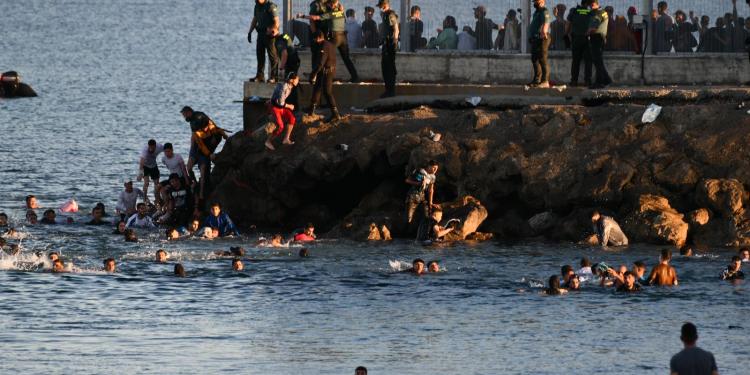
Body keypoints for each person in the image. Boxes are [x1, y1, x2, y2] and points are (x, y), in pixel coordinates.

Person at [320, 0, 359, 82]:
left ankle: (326, 77)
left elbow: (317, 18)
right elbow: (343, 21)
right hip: (343, 38)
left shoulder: (332, 13)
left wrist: (303, 16)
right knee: (346, 58)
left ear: (332, 5)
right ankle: (355, 77)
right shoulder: (341, 13)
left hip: (335, 37)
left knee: (327, 57)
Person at [308, 31, 341, 123]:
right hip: (324, 70)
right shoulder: (328, 44)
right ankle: (311, 110)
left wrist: (313, 74)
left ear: (319, 37)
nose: (314, 41)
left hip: (327, 71)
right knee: (317, 88)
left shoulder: (324, 45)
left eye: (315, 39)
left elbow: (321, 62)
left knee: (327, 92)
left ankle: (335, 114)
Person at [266, 72, 300, 150]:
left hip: (280, 107)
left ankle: (286, 139)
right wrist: (289, 106)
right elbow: (280, 102)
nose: (298, 81)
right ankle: (268, 141)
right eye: (297, 79)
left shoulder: (290, 86)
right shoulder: (284, 87)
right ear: (291, 80)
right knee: (280, 126)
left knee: (292, 118)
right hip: (275, 107)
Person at [248, 0, 280, 82]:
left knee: (273, 56)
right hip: (261, 34)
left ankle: (274, 77)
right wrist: (250, 31)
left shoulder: (270, 6)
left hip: (270, 35)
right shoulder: (257, 6)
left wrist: (274, 31)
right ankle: (260, 76)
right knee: (260, 55)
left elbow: (276, 21)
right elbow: (255, 19)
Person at [405, 160, 439, 226]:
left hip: (422, 197)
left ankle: (424, 232)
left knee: (426, 215)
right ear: (429, 166)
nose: (435, 170)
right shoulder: (419, 171)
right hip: (412, 196)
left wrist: (430, 202)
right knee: (408, 218)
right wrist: (418, 183)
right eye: (434, 168)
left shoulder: (433, 177)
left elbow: (431, 190)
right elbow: (407, 180)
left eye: (436, 169)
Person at [587, 0, 611, 89]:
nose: (591, 6)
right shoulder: (602, 12)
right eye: (590, 4)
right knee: (598, 61)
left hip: (597, 37)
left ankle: (599, 82)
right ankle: (607, 79)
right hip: (600, 37)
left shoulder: (598, 13)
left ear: (597, 4)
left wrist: (587, 32)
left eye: (592, 4)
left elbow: (593, 27)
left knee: (597, 61)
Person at [567, 0, 592, 87]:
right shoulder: (590, 12)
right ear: (587, 4)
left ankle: (574, 81)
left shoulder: (574, 11)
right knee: (588, 61)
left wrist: (566, 34)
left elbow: (568, 24)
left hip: (576, 39)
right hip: (587, 39)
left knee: (575, 61)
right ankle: (587, 81)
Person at [528, 0, 552, 88]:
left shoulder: (544, 11)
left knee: (542, 58)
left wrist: (543, 32)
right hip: (535, 38)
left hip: (543, 38)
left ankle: (545, 81)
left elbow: (546, 22)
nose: (534, 3)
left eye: (536, 1)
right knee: (534, 58)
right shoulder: (537, 12)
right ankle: (537, 80)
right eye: (534, 2)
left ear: (542, 2)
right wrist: (531, 36)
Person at [377, 0, 398, 98]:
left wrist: (393, 42)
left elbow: (395, 29)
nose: (380, 8)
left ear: (385, 5)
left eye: (381, 6)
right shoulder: (385, 14)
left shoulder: (390, 14)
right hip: (386, 43)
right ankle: (388, 90)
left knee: (389, 68)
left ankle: (390, 91)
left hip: (390, 44)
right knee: (385, 67)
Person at [137, 139, 164, 204]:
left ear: (155, 146)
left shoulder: (159, 147)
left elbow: (166, 149)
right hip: (145, 166)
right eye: (150, 148)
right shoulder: (145, 150)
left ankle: (157, 199)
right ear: (148, 146)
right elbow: (141, 162)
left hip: (154, 165)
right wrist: (140, 174)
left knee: (157, 184)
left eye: (153, 148)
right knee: (146, 183)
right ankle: (144, 199)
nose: (151, 149)